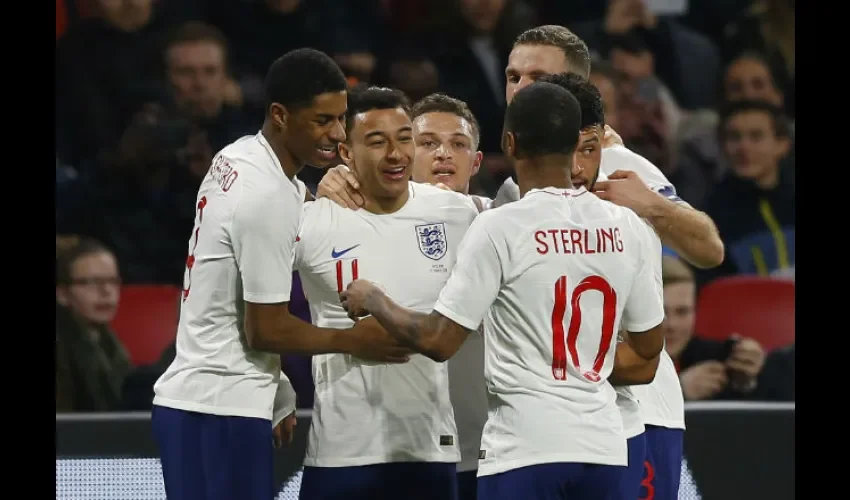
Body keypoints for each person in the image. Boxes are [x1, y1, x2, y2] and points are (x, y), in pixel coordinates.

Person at [322, 24, 724, 500]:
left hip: (636, 415)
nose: (521, 89)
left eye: (538, 77)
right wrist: (344, 177)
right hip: (568, 429)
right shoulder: (511, 197)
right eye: (513, 77)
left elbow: (709, 250)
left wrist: (653, 206)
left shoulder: (618, 165)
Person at [150, 49, 409, 500]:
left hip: (208, 399)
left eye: (341, 118)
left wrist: (277, 385)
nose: (336, 134)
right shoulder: (266, 194)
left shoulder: (241, 159)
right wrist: (353, 340)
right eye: (321, 120)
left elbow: (227, 290)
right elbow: (264, 328)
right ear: (280, 115)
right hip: (218, 408)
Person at [294, 85, 479, 500]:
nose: (396, 154)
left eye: (404, 138)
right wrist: (275, 388)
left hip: (431, 452)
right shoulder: (312, 223)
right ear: (345, 153)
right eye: (377, 142)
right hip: (340, 455)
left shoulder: (456, 213)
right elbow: (244, 300)